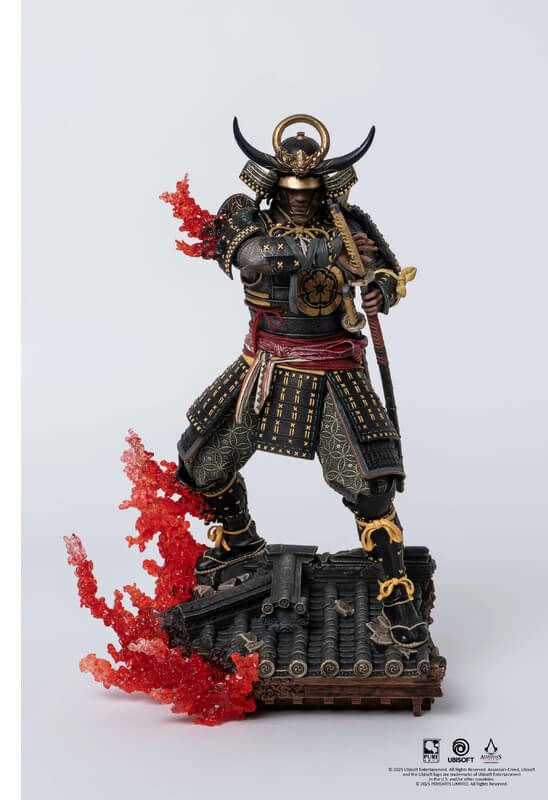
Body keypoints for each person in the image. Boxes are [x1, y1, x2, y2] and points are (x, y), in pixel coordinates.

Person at [175, 115, 426, 647]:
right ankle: (239, 542)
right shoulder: (244, 216)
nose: (299, 199)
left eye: (308, 190)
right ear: (273, 183)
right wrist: (326, 254)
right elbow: (252, 258)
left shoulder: (346, 221)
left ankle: (395, 591)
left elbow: (385, 268)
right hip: (264, 369)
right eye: (291, 189)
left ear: (323, 186)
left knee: (371, 486)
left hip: (333, 366)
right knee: (201, 461)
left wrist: (380, 290)